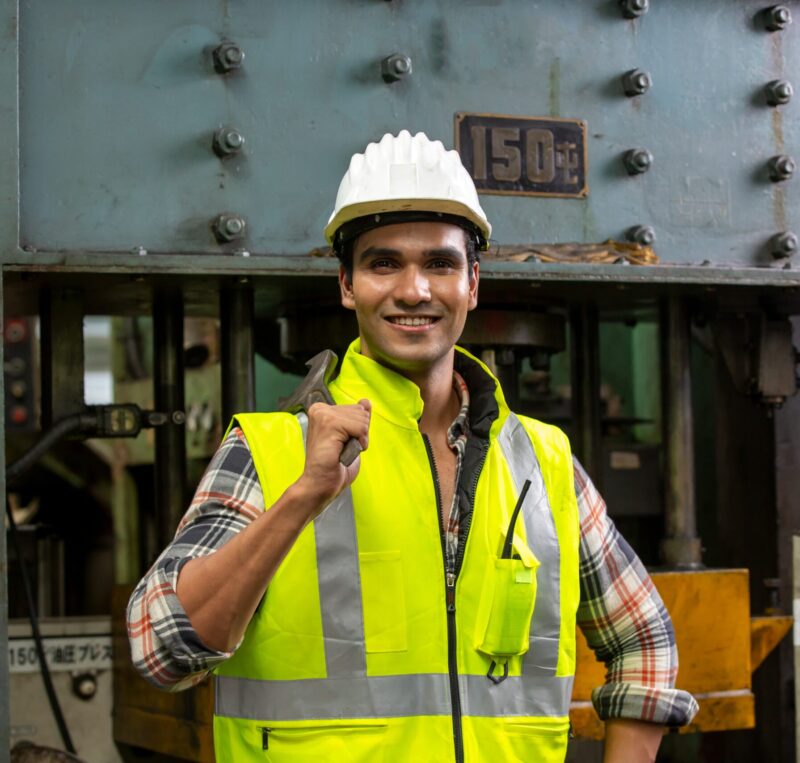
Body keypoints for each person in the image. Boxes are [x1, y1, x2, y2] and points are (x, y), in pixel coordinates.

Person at [127, 130, 698, 762]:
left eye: (440, 264)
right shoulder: (270, 452)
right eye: (383, 263)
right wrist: (301, 499)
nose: (414, 290)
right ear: (347, 285)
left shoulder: (543, 462)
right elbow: (163, 649)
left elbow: (645, 640)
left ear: (472, 284)